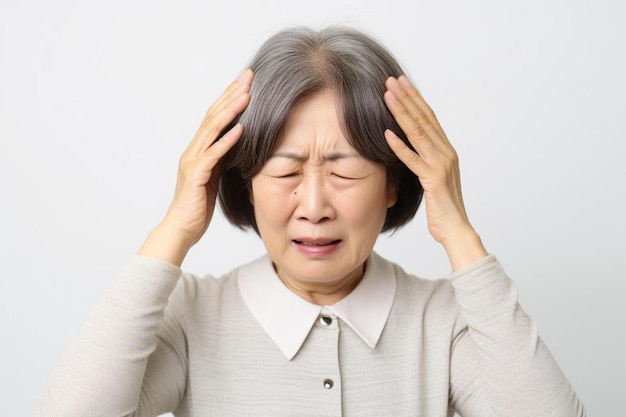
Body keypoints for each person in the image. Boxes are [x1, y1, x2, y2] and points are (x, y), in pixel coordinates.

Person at [36, 26, 586, 416]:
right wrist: (171, 232)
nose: (315, 205)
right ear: (244, 182)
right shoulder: (191, 316)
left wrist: (462, 236)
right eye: (285, 171)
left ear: (396, 182)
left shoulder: (443, 321)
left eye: (344, 172)